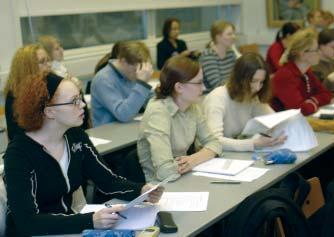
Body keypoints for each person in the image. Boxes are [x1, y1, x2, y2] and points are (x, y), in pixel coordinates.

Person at [3, 73, 163, 236]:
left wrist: (141, 190)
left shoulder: (75, 136)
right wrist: (90, 221)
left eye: (80, 98)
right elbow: (27, 222)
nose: (82, 105)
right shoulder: (19, 154)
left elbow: (108, 181)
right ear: (49, 111)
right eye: (74, 101)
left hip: (66, 229)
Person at [137, 56, 222, 182]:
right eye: (199, 83)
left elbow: (215, 143)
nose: (203, 88)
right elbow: (165, 171)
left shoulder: (192, 106)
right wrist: (200, 157)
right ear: (179, 88)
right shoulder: (158, 112)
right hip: (160, 187)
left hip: (183, 177)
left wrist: (194, 159)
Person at [203, 53, 286, 152]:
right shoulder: (217, 98)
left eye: (261, 82)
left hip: (236, 155)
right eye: (253, 81)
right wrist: (253, 143)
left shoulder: (251, 95)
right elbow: (214, 142)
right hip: (216, 157)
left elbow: (274, 119)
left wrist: (276, 134)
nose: (257, 87)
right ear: (239, 78)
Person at [91, 41, 153, 126]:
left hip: (128, 128)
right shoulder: (103, 79)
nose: (137, 73)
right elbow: (123, 114)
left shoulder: (129, 73)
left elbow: (150, 100)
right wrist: (142, 84)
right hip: (108, 134)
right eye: (135, 70)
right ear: (123, 61)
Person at [271, 29, 332, 116]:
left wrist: (311, 101)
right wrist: (313, 103)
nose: (319, 52)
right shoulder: (285, 75)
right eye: (316, 50)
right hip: (283, 125)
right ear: (302, 53)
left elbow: (327, 94)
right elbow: (300, 110)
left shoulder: (306, 72)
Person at [38, 35, 92, 129]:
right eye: (57, 49)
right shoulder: (51, 76)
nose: (62, 50)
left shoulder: (61, 68)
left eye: (61, 47)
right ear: (47, 52)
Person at [4, 44, 51, 141]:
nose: (48, 65)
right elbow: (16, 135)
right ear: (28, 68)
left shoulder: (50, 82)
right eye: (42, 62)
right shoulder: (14, 96)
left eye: (48, 60)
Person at [199, 20, 237, 93]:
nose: (234, 36)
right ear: (218, 37)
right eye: (229, 34)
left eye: (233, 33)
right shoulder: (208, 56)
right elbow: (217, 85)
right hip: (211, 96)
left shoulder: (231, 54)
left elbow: (238, 75)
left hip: (229, 92)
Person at [312, 29, 334, 93]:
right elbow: (317, 94)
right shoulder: (314, 67)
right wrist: (329, 79)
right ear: (321, 46)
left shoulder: (331, 60)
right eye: (333, 47)